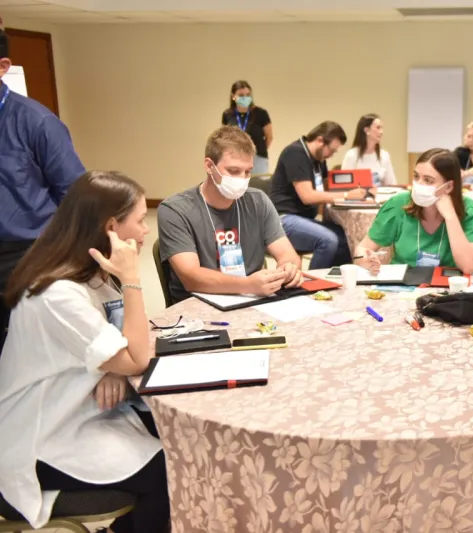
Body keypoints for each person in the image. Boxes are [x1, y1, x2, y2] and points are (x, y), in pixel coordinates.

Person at [0, 171, 169, 533]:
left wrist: (113, 367)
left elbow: (122, 343)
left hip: (81, 415)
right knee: (168, 472)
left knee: (173, 437)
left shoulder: (91, 275)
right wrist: (131, 279)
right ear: (111, 227)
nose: (145, 231)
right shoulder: (58, 293)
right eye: (140, 221)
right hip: (40, 438)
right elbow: (137, 355)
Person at [0, 27, 84, 352]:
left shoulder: (37, 123)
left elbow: (75, 198)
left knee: (26, 351)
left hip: (28, 256)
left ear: (3, 66)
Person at [158, 126, 302, 303]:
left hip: (252, 300)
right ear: (209, 166)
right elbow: (191, 278)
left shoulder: (258, 201)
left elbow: (288, 254)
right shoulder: (175, 210)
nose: (242, 179)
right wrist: (247, 285)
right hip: (198, 306)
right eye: (233, 171)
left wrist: (289, 268)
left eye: (248, 171)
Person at [354, 149, 473, 274]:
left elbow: (468, 266)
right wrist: (364, 260)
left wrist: (450, 216)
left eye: (428, 180)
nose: (418, 184)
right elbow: (361, 250)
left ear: (448, 187)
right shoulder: (398, 204)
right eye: (416, 176)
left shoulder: (470, 210)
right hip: (401, 285)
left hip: (447, 287)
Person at [270, 121, 368, 269]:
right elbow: (307, 196)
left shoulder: (318, 160)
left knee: (346, 238)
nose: (332, 155)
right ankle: (313, 283)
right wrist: (347, 194)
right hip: (283, 219)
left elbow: (327, 187)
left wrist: (362, 189)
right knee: (328, 240)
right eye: (332, 150)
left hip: (304, 219)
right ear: (320, 140)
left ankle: (334, 281)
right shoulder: (295, 153)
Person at [221, 80, 273, 176]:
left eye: (248, 95)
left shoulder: (261, 113)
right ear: (233, 96)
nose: (245, 98)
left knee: (258, 186)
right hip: (235, 158)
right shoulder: (227, 114)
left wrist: (259, 151)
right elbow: (225, 138)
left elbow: (269, 137)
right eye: (241, 95)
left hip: (257, 157)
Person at [341, 113, 396, 187]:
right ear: (367, 130)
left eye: (381, 128)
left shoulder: (384, 155)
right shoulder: (351, 155)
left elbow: (392, 184)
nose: (381, 132)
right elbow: (344, 185)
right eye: (378, 128)